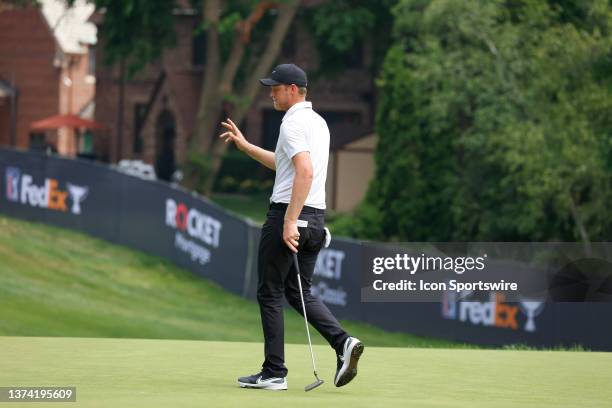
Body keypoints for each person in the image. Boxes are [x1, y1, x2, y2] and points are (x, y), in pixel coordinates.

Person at [219, 63, 363, 391]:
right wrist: (246, 146)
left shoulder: (292, 123)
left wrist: (287, 221)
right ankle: (344, 343)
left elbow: (305, 172)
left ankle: (273, 373)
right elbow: (284, 164)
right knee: (299, 292)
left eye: (276, 87)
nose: (271, 92)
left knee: (269, 291)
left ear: (293, 90)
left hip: (290, 213)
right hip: (316, 218)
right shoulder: (318, 123)